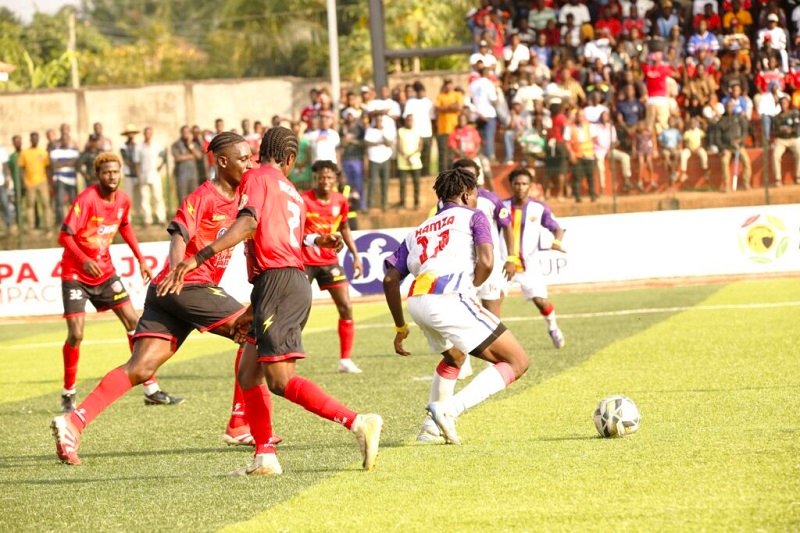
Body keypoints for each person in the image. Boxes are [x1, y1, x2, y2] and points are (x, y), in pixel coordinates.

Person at [156, 127, 382, 476]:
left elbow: (248, 224)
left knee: (279, 380)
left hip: (278, 282)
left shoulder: (257, 178)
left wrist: (198, 257)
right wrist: (256, 304)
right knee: (249, 373)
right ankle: (265, 457)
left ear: (264, 152)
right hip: (280, 281)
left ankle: (357, 422)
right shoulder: (292, 191)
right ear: (290, 158)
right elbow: (285, 237)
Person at [50, 134, 278, 465]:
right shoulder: (203, 196)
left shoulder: (244, 196)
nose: (250, 164)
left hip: (167, 291)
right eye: (243, 159)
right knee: (253, 332)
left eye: (252, 157)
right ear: (223, 162)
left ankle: (73, 421)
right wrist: (177, 268)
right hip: (187, 285)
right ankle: (239, 423)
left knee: (140, 367)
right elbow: (180, 233)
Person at [382, 167, 530, 445]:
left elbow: (390, 280)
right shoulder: (474, 216)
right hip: (450, 298)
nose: (475, 200)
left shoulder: (418, 230)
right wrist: (470, 288)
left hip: (418, 302)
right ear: (466, 194)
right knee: (517, 361)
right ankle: (449, 410)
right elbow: (486, 262)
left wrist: (400, 327)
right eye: (474, 195)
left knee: (454, 357)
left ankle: (430, 429)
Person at [53, 152, 181, 415]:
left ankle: (151, 389)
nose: (111, 176)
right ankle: (68, 392)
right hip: (75, 274)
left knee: (134, 322)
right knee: (76, 334)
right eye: (106, 172)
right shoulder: (87, 199)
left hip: (105, 273)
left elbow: (125, 227)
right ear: (97, 175)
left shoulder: (123, 200)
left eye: (115, 172)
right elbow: (64, 236)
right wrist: (84, 260)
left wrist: (141, 259)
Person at [301, 160, 364, 374]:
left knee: (346, 306)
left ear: (335, 179)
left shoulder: (340, 201)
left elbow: (344, 227)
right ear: (315, 179)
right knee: (297, 309)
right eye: (321, 177)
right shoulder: (304, 200)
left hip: (329, 260)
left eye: (329, 177)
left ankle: (345, 360)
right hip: (305, 260)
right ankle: (285, 354)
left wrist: (355, 255)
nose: (325, 181)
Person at [502, 168, 566, 349]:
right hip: (504, 264)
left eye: (524, 184)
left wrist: (557, 241)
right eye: (517, 183)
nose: (520, 187)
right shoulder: (501, 207)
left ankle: (553, 327)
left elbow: (556, 228)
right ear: (511, 185)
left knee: (540, 301)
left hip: (528, 265)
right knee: (492, 302)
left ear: (530, 186)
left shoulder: (538, 208)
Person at [18, 132, 52, 233]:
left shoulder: (43, 152)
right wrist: (24, 181)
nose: (34, 140)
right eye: (33, 138)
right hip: (29, 183)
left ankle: (48, 227)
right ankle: (31, 228)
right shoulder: (25, 153)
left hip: (42, 181)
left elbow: (47, 167)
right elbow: (21, 168)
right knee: (30, 206)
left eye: (36, 138)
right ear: (30, 139)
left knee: (46, 204)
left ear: (38, 139)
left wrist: (49, 182)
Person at [718, 99, 751, 192]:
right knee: (724, 161)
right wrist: (723, 148)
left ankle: (746, 183)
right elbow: (717, 137)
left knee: (746, 161)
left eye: (731, 106)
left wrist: (740, 140)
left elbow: (745, 132)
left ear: (734, 107)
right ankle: (727, 185)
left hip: (739, 146)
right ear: (725, 107)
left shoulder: (739, 118)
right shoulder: (721, 120)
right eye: (728, 106)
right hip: (727, 148)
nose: (730, 108)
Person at [137, 127, 167, 226]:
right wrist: (139, 175)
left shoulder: (157, 146)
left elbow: (163, 156)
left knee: (158, 197)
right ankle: (147, 219)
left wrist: (159, 167)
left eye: (150, 133)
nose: (148, 135)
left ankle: (161, 218)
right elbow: (137, 162)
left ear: (152, 134)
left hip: (154, 175)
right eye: (146, 133)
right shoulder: (139, 147)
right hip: (143, 175)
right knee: (145, 198)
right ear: (144, 134)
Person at [50, 133, 80, 227]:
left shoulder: (74, 151)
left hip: (72, 180)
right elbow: (54, 165)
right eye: (63, 139)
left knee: (74, 202)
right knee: (60, 202)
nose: (65, 141)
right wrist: (68, 163)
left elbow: (75, 163)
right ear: (60, 141)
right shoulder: (55, 152)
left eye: (67, 139)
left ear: (69, 140)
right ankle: (62, 222)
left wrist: (61, 164)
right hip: (60, 179)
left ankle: (76, 221)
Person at [435, 79, 464, 174]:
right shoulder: (440, 96)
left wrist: (445, 107)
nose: (448, 86)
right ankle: (443, 173)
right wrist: (451, 106)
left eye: (450, 84)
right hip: (443, 129)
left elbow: (458, 107)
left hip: (454, 129)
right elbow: (438, 108)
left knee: (453, 152)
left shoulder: (457, 95)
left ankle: (454, 172)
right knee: (443, 153)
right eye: (446, 84)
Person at [771, 95, 800, 187]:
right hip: (781, 140)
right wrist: (781, 130)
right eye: (782, 103)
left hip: (793, 138)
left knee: (799, 153)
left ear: (788, 104)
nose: (783, 105)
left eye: (785, 103)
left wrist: (790, 130)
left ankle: (798, 177)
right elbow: (773, 131)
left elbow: (797, 127)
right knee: (775, 155)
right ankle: (778, 179)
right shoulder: (776, 117)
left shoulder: (794, 114)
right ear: (779, 105)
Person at [396, 115, 423, 209]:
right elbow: (398, 146)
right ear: (405, 121)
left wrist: (411, 156)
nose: (409, 122)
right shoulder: (400, 131)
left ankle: (416, 203)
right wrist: (405, 156)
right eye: (408, 120)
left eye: (411, 120)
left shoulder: (417, 131)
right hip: (403, 162)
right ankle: (402, 203)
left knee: (416, 184)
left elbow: (420, 145)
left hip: (415, 162)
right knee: (402, 184)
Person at [171, 125, 202, 204]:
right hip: (181, 176)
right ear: (181, 133)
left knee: (194, 198)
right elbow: (177, 158)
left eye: (187, 132)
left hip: (193, 175)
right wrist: (191, 156)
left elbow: (199, 156)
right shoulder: (176, 145)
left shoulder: (193, 144)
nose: (186, 134)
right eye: (184, 132)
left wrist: (190, 145)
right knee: (183, 198)